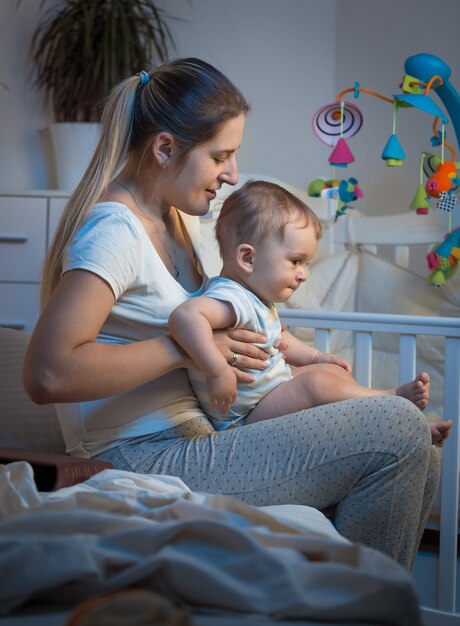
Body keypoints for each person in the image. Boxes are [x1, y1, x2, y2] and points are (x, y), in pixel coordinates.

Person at [23, 57, 441, 571]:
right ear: (165, 148)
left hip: (206, 434)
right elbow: (47, 373)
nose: (233, 174)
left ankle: (345, 596)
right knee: (396, 425)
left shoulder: (176, 221)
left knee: (421, 447)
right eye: (221, 155)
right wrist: (186, 350)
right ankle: (356, 599)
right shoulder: (115, 231)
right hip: (143, 457)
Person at [169, 180, 451, 445]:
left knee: (327, 372)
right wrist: (217, 370)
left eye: (306, 263)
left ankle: (397, 423)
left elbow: (279, 342)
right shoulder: (231, 298)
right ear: (248, 258)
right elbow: (185, 318)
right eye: (295, 261)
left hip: (265, 399)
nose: (303, 274)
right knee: (316, 383)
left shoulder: (255, 300)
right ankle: (389, 401)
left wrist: (317, 357)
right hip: (241, 418)